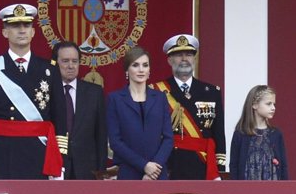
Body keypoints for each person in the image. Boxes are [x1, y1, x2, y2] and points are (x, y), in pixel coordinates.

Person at [0, 3, 67, 180]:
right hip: (0, 157)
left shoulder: (50, 70)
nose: (22, 30)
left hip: (40, 157)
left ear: (33, 32)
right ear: (5, 32)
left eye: (26, 25)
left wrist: (60, 163)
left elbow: (60, 119)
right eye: (15, 26)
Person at [156, 34, 226, 180]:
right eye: (179, 55)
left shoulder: (211, 92)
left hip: (203, 166)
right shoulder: (156, 91)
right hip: (170, 166)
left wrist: (219, 168)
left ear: (195, 59)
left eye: (189, 55)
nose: (184, 59)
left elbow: (218, 133)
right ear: (169, 60)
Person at [106, 46, 173, 181]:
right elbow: (115, 142)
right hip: (129, 172)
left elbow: (168, 138)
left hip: (157, 173)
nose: (141, 70)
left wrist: (154, 168)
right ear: (127, 70)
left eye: (145, 65)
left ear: (149, 70)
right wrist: (144, 166)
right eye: (135, 65)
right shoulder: (115, 99)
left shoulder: (160, 98)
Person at [53, 40, 107, 180]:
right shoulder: (47, 92)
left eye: (75, 61)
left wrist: (100, 170)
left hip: (86, 169)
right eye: (65, 61)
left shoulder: (95, 92)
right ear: (55, 63)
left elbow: (101, 134)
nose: (71, 66)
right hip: (54, 166)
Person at [229, 85, 289, 181]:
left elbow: (283, 167)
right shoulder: (240, 134)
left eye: (274, 104)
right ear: (254, 105)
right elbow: (234, 166)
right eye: (268, 104)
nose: (273, 108)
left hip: (273, 189)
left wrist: (285, 189)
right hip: (246, 190)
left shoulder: (276, 134)